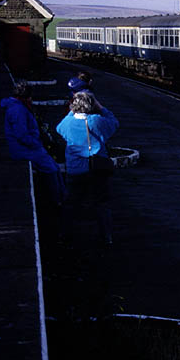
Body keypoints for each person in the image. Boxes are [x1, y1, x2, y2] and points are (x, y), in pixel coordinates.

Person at [1, 81, 66, 242]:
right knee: (51, 168)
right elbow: (22, 135)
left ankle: (60, 196)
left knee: (53, 166)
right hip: (25, 149)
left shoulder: (17, 107)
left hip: (27, 147)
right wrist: (37, 144)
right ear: (25, 96)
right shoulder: (18, 110)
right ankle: (57, 199)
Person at [57, 91, 119, 246]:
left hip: (76, 169)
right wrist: (100, 106)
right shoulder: (97, 121)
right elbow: (114, 122)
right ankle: (107, 237)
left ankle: (65, 235)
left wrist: (73, 109)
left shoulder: (67, 124)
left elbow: (59, 128)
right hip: (97, 168)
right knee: (101, 203)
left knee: (71, 203)